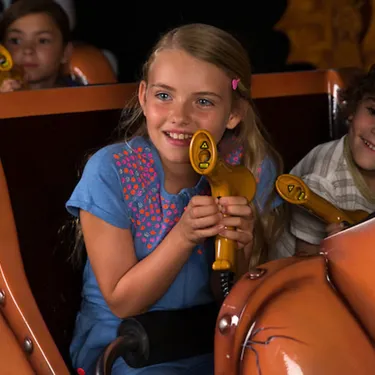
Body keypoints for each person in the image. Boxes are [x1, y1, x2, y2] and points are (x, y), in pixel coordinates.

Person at [65, 23, 284, 374]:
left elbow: (226, 293)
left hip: (210, 339)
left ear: (233, 112)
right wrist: (184, 235)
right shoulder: (111, 171)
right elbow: (124, 302)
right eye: (164, 96)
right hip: (129, 346)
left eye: (203, 102)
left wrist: (239, 245)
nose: (180, 117)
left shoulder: (248, 168)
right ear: (143, 96)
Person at [272, 64, 375, 259]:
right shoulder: (322, 181)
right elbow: (305, 267)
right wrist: (335, 255)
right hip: (294, 272)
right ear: (353, 109)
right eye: (373, 111)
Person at [0, 0, 75, 92]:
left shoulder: (84, 96)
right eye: (16, 41)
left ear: (65, 52)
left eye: (42, 41)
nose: (28, 50)